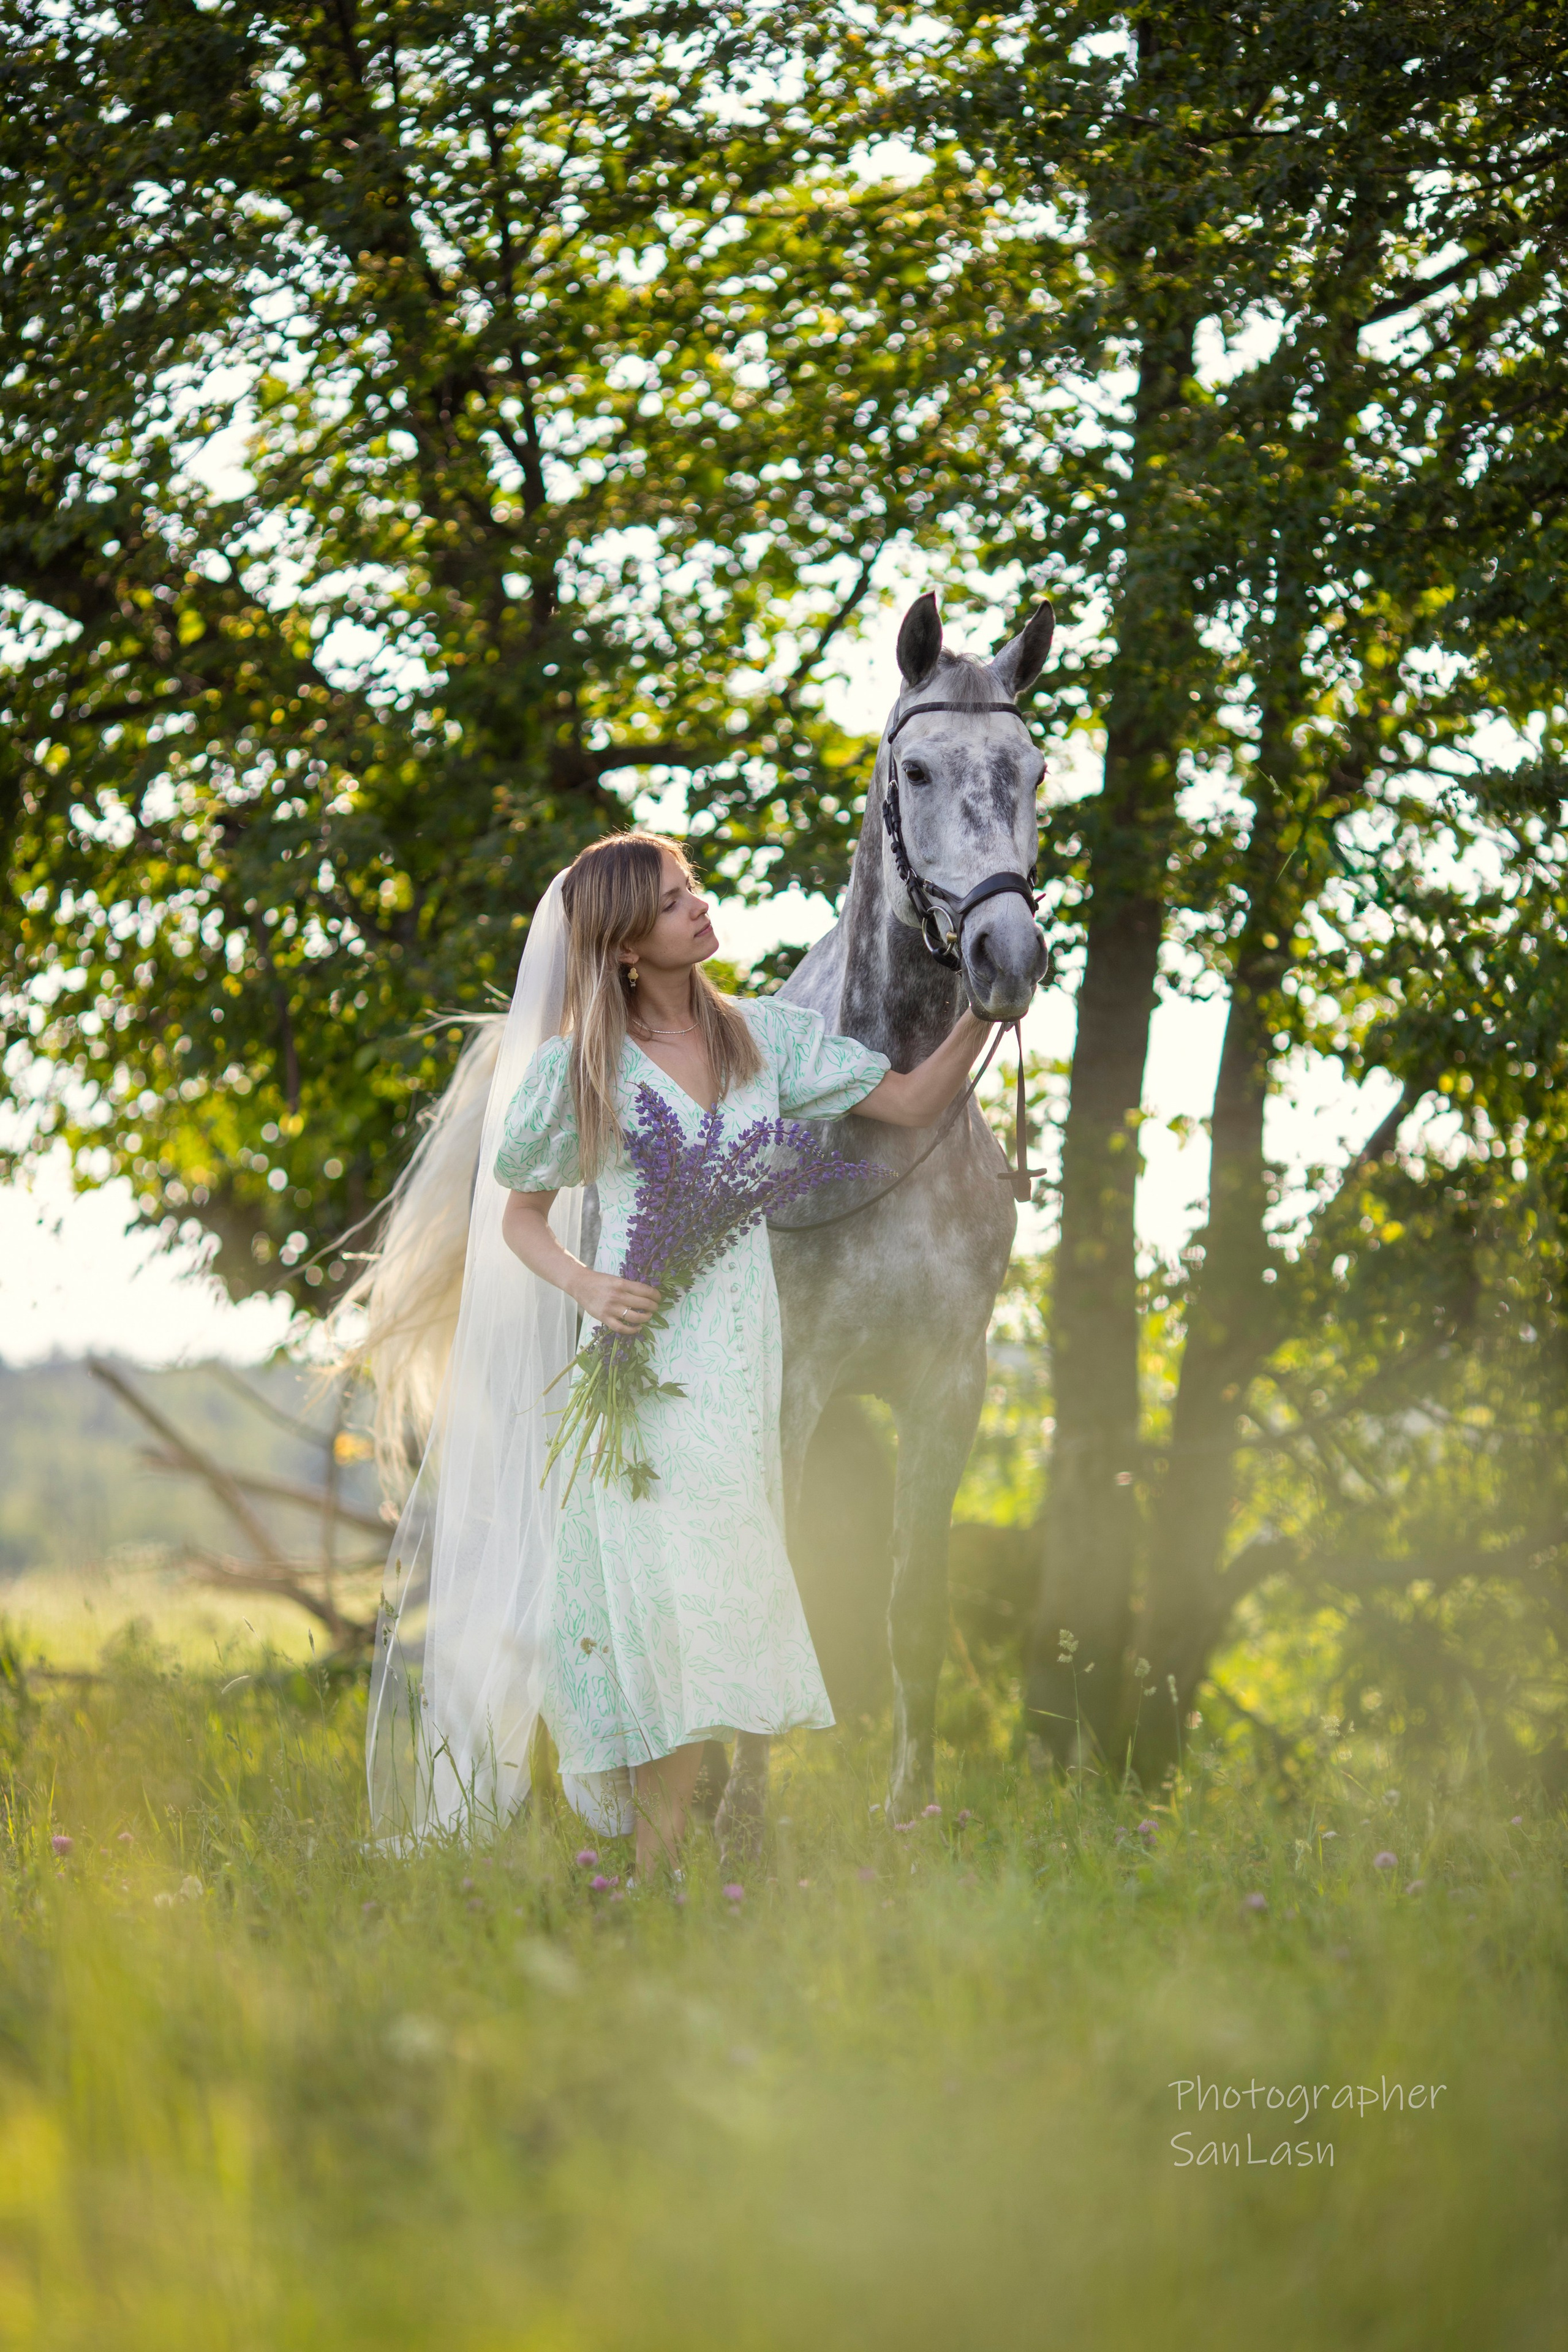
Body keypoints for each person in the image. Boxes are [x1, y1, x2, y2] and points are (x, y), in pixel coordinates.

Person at [363, 829, 996, 1872]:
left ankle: (653, 1883)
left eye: (692, 885)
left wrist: (985, 1005)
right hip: (640, 1383)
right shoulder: (585, 1069)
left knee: (709, 1611)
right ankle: (659, 1878)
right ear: (623, 946)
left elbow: (916, 1100)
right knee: (668, 1619)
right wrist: (585, 1283)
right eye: (671, 901)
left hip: (738, 1375)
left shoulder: (767, 1042)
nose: (698, 906)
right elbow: (518, 1213)